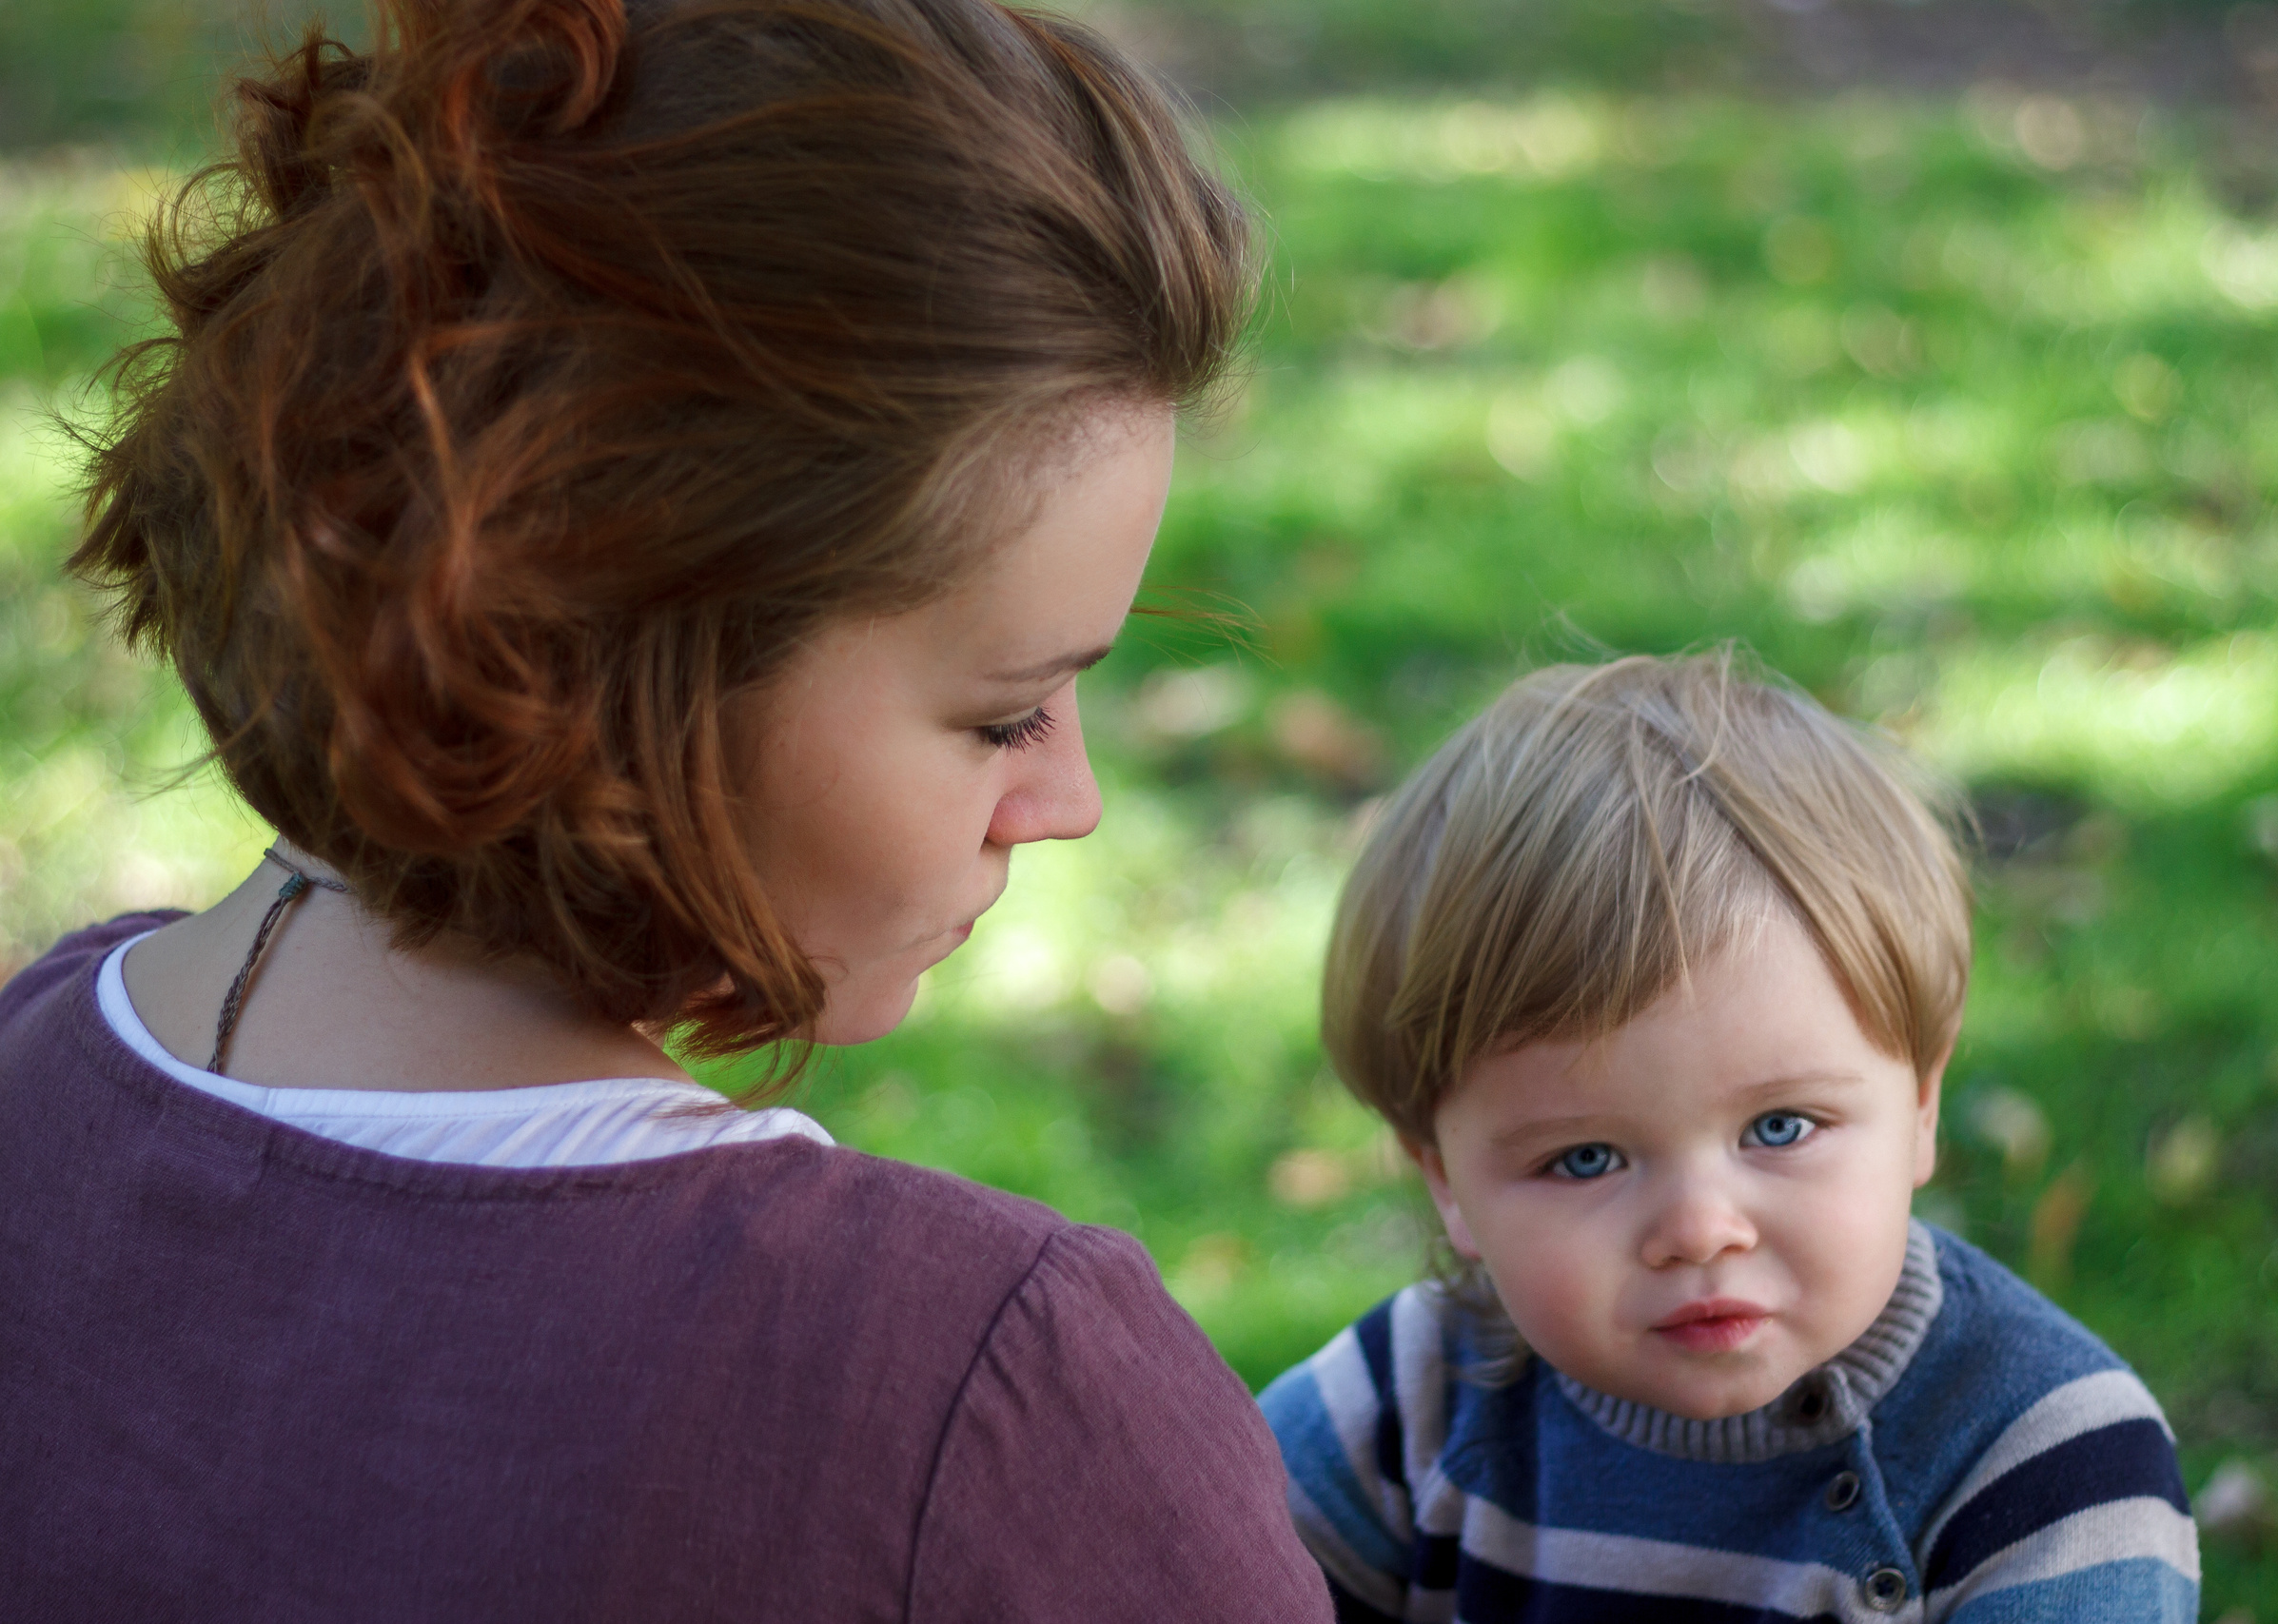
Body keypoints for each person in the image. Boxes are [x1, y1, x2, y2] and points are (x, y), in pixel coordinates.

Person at [0, 1, 1331, 1617]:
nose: (1070, 799)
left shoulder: (40, 1070)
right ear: (612, 664)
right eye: (1002, 715)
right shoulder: (979, 1404)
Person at [1259, 653, 2200, 1622]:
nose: (1701, 1229)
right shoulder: (1405, 1403)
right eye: (1585, 1158)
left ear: (1920, 1103)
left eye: (1780, 1127)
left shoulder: (2041, 1455)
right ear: (1444, 1179)